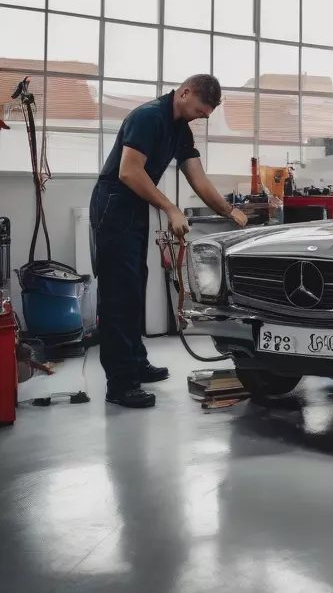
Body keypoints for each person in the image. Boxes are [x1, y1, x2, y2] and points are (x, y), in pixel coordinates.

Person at [90, 75, 247, 408]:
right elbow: (129, 172)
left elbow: (198, 177)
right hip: (115, 204)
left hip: (134, 207)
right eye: (199, 111)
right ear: (185, 92)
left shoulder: (180, 129)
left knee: (135, 285)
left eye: (205, 116)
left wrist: (229, 210)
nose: (200, 118)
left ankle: (135, 361)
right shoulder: (148, 116)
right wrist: (171, 208)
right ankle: (120, 383)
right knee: (119, 293)